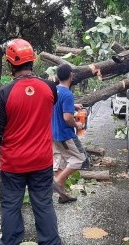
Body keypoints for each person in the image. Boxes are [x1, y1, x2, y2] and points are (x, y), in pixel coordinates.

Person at [0, 38, 61, 245]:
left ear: (10, 63)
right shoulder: (49, 88)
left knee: (10, 206)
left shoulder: (3, 94)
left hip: (14, 163)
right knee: (44, 204)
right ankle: (51, 242)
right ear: (32, 61)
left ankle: (10, 242)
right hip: (42, 160)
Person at [51, 63, 87, 204]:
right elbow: (67, 118)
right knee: (80, 158)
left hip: (53, 134)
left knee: (63, 162)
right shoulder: (68, 94)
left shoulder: (54, 91)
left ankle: (62, 195)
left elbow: (57, 106)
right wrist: (77, 124)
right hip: (65, 135)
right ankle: (57, 182)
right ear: (71, 75)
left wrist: (73, 106)